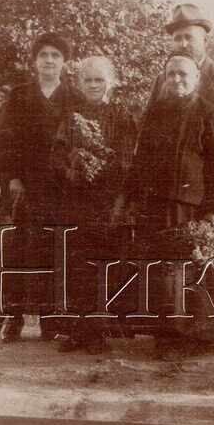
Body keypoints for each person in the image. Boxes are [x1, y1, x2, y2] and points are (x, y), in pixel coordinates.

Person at [117, 50, 214, 353]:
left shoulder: (209, 113)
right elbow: (141, 160)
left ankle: (200, 335)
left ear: (196, 78)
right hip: (155, 204)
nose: (177, 79)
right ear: (165, 78)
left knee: (192, 268)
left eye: (184, 74)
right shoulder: (156, 112)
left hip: (191, 206)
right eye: (171, 74)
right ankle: (168, 335)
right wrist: (130, 198)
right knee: (161, 272)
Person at [0, 31, 76, 342]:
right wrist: (11, 179)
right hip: (22, 189)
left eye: (55, 56)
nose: (49, 61)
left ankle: (51, 319)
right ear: (35, 61)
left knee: (52, 250)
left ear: (64, 62)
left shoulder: (72, 97)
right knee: (17, 252)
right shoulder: (19, 95)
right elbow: (5, 142)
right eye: (43, 55)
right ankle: (13, 317)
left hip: (59, 191)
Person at [51, 56, 138, 353]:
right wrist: (71, 167)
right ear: (79, 83)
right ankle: (78, 329)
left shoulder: (122, 115)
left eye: (99, 79)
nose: (93, 85)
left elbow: (128, 159)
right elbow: (58, 153)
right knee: (78, 264)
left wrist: (104, 172)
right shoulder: (71, 116)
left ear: (109, 83)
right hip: (76, 199)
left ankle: (99, 330)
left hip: (108, 199)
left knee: (104, 264)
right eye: (87, 80)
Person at [145, 3, 214, 136]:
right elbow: (148, 122)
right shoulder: (162, 78)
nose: (183, 44)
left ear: (205, 40)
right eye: (177, 39)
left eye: (189, 37)